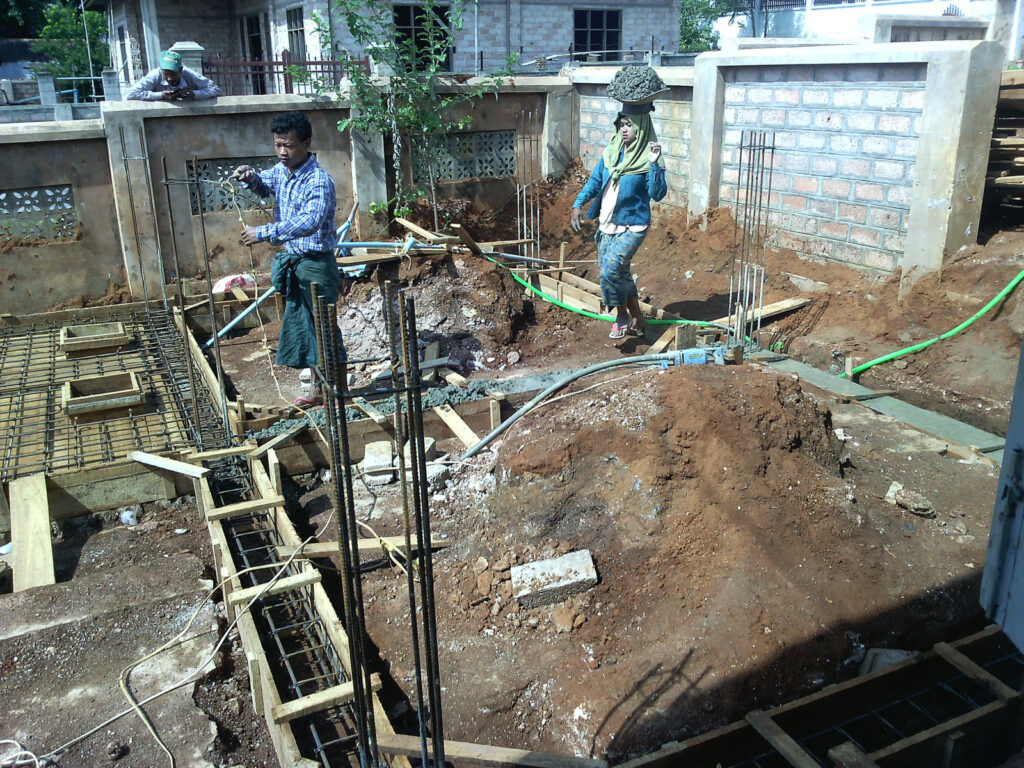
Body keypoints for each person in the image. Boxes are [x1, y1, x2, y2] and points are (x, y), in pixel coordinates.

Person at [231, 111, 342, 407]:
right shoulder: (283, 171)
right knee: (306, 328)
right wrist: (250, 176)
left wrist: (264, 232)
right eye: (278, 144)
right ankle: (318, 392)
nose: (282, 151)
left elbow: (311, 220)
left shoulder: (318, 181)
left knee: (324, 328)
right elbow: (264, 183)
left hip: (316, 265)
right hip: (295, 263)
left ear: (306, 143)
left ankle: (337, 393)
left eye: (289, 145)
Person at [570, 106, 666, 339]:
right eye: (622, 124)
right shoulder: (612, 151)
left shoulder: (648, 156)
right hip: (607, 223)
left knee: (611, 269)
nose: (624, 129)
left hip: (633, 225)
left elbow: (657, 193)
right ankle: (639, 318)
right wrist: (578, 204)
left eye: (629, 125)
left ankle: (621, 315)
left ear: (641, 127)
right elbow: (595, 181)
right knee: (621, 273)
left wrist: (653, 164)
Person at [126, 50, 222, 101]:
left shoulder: (188, 74)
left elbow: (215, 89)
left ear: (180, 70)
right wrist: (160, 95)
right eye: (166, 74)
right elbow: (131, 94)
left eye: (173, 74)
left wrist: (194, 94)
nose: (169, 78)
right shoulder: (155, 75)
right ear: (161, 70)